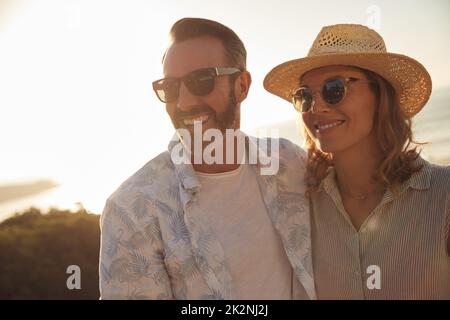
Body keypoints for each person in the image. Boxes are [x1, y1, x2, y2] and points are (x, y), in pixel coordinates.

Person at [99, 17, 315, 300]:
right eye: (171, 87)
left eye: (202, 81)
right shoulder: (131, 209)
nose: (185, 102)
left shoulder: (289, 162)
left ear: (242, 85)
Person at [264, 23, 450, 299]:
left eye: (334, 88)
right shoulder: (299, 208)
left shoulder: (442, 197)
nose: (316, 108)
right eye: (304, 96)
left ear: (380, 95)